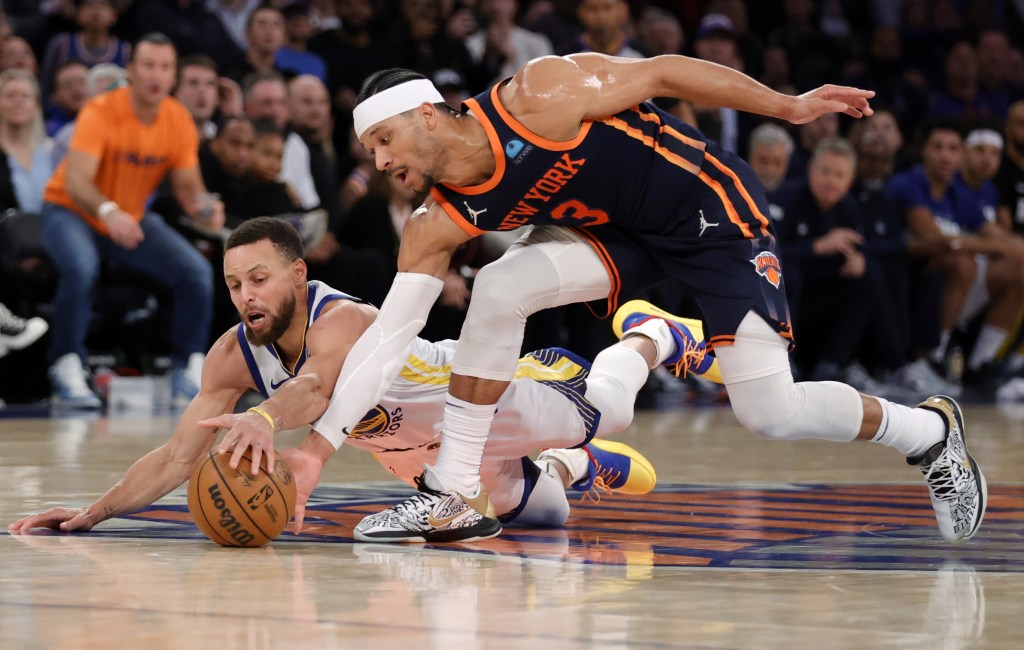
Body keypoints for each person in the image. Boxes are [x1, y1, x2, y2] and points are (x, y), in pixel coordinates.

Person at [265, 53, 987, 546]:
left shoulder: (538, 96)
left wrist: (787, 106)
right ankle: (451, 490)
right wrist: (318, 450)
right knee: (502, 283)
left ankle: (927, 433)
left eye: (385, 140)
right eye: (370, 152)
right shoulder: (437, 222)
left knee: (770, 412)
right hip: (618, 238)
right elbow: (389, 336)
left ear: (426, 115)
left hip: (706, 213)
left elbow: (666, 70)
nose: (381, 161)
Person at [7, 217, 666, 540]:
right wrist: (93, 513)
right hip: (407, 451)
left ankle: (657, 333)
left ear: (297, 274)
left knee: (612, 408)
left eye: (258, 279)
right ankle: (575, 467)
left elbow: (320, 388)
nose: (245, 295)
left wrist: (264, 418)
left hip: (473, 402)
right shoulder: (231, 354)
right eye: (234, 284)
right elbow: (182, 454)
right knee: (544, 516)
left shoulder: (345, 318)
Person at [40, 33, 225, 409]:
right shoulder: (101, 110)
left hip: (130, 219)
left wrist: (206, 209)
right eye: (148, 65)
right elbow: (77, 181)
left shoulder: (177, 119)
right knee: (81, 268)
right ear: (131, 71)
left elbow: (189, 189)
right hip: (70, 210)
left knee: (195, 273)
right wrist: (109, 212)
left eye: (165, 67)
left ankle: (186, 368)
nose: (156, 75)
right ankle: (66, 365)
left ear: (174, 76)